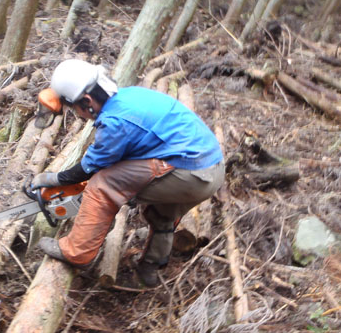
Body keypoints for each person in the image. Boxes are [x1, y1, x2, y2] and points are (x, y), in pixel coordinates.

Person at [32, 59, 224, 287]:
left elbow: (91, 167)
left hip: (190, 174)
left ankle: (77, 252)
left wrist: (56, 178)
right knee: (163, 213)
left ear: (87, 101)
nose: (78, 114)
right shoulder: (130, 96)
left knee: (103, 185)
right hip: (212, 169)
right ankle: (149, 270)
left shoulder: (114, 122)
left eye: (75, 108)